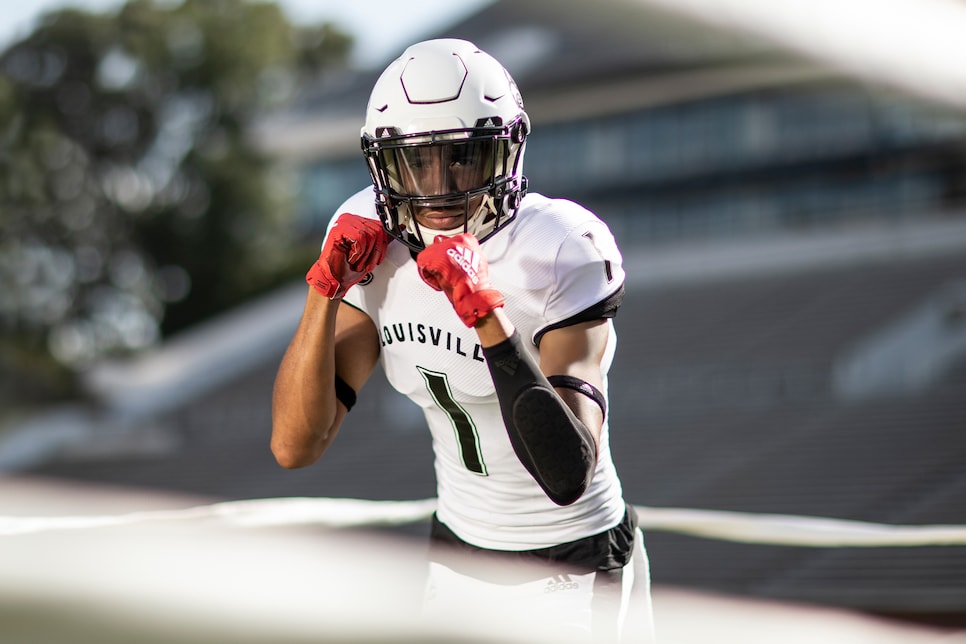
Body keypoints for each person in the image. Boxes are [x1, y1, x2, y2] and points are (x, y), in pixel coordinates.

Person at [271, 38, 655, 642]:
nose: (439, 185)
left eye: (462, 157)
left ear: (504, 152)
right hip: (458, 547)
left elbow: (566, 473)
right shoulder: (369, 237)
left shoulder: (558, 246)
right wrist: (324, 286)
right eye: (416, 161)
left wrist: (484, 313)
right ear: (383, 164)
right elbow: (296, 445)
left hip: (572, 554)